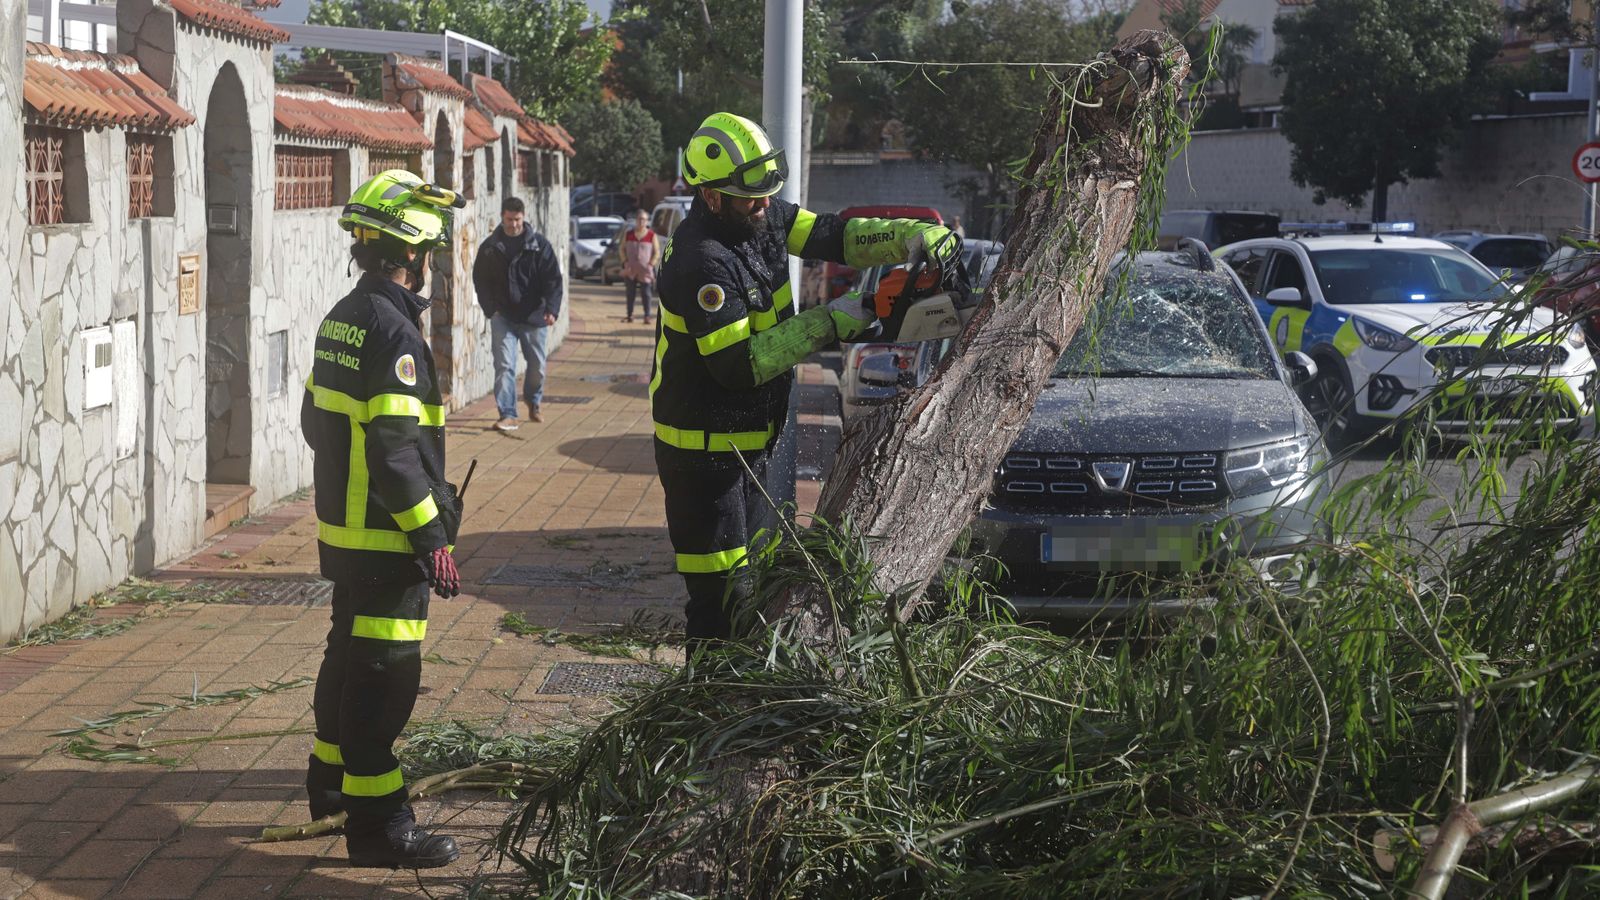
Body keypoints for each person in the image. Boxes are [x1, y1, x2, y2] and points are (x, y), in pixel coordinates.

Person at [653, 111, 955, 647]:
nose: (765, 204)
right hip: (705, 462)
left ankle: (740, 707)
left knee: (765, 590)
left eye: (769, 191)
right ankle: (706, 714)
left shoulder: (758, 216)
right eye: (751, 196)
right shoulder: (701, 262)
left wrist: (912, 237)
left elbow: (832, 236)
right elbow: (738, 364)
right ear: (712, 196)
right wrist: (844, 316)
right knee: (724, 603)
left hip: (755, 445)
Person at [301, 169, 464, 869]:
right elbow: (397, 454)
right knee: (383, 676)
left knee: (346, 654)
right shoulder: (397, 334)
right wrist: (433, 538)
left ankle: (330, 783)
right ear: (416, 254)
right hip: (387, 538)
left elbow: (316, 422)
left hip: (345, 533)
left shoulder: (342, 315)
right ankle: (378, 828)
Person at [473, 196, 564, 432]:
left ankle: (533, 401)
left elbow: (553, 279)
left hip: (534, 316)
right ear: (502, 218)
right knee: (504, 365)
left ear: (524, 218)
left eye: (517, 220)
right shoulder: (490, 248)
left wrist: (552, 309)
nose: (513, 224)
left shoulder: (539, 246)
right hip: (503, 316)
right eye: (509, 219)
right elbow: (480, 280)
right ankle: (508, 414)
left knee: (537, 367)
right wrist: (490, 309)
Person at [620, 208, 659, 324]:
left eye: (644, 219)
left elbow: (656, 252)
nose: (641, 222)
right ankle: (629, 315)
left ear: (647, 221)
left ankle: (647, 316)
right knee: (630, 293)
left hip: (645, 270)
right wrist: (624, 261)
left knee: (646, 294)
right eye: (639, 219)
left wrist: (651, 264)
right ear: (636, 220)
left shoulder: (651, 235)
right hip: (630, 269)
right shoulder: (628, 234)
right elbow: (621, 249)